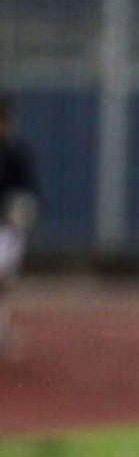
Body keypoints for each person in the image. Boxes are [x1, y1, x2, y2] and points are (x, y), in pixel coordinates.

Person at [0, 89, 41, 355]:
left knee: (3, 278)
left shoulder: (16, 153)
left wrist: (25, 214)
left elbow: (29, 192)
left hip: (7, 228)